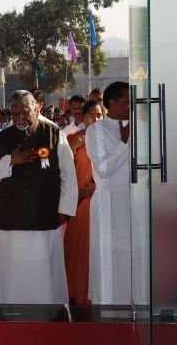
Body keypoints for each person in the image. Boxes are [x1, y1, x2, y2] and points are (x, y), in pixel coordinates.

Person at [0, 90, 78, 304]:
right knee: (14, 270)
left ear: (36, 109)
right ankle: (12, 311)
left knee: (44, 269)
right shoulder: (1, 139)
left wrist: (64, 209)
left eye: (25, 113)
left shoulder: (54, 134)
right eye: (15, 114)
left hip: (45, 215)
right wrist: (10, 160)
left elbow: (69, 175)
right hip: (12, 216)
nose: (19, 118)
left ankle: (47, 310)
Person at [86, 81, 140, 305]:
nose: (131, 106)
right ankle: (109, 305)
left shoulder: (139, 126)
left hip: (135, 201)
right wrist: (125, 141)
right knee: (110, 257)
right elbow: (104, 169)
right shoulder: (96, 130)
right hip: (109, 201)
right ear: (111, 103)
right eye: (126, 102)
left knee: (135, 256)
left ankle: (137, 302)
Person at [64, 100, 103, 304]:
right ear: (82, 117)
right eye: (91, 115)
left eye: (99, 115)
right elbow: (63, 169)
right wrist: (73, 147)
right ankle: (77, 293)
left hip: (102, 200)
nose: (95, 119)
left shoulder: (111, 139)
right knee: (79, 250)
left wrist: (97, 187)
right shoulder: (73, 138)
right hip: (79, 202)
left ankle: (99, 294)